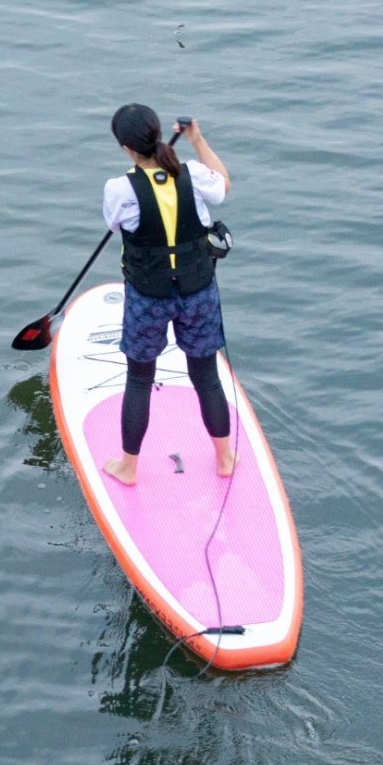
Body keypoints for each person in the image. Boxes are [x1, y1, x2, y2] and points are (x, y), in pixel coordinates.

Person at [97, 104, 234, 486]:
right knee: (206, 376)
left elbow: (115, 223)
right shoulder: (192, 173)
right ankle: (224, 458)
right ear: (158, 133)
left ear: (125, 147)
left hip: (148, 296)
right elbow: (224, 183)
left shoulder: (119, 189)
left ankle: (128, 467)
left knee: (139, 380)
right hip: (197, 291)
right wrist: (197, 139)